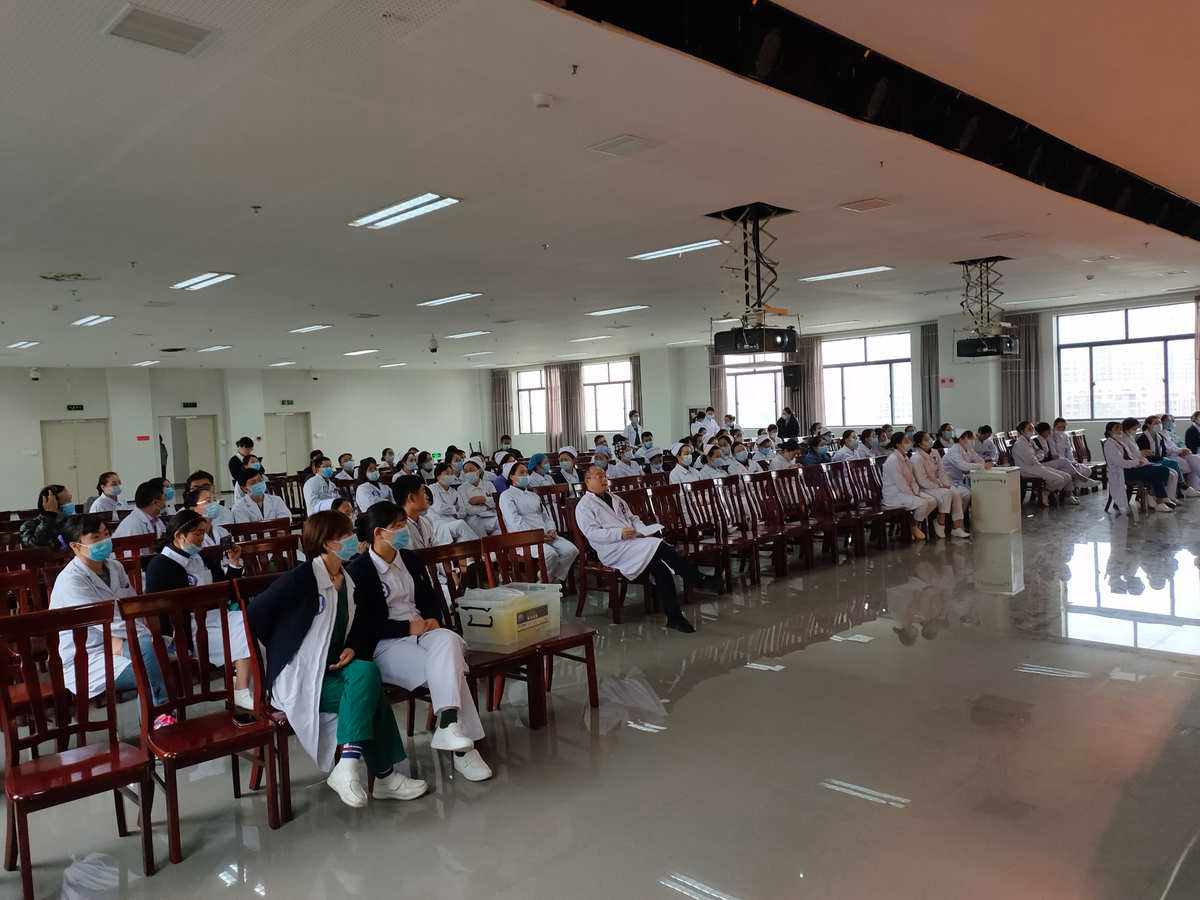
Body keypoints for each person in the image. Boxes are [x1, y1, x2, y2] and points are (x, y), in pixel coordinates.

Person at [246, 511, 426, 807]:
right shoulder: (302, 578)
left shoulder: (347, 577)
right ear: (329, 543)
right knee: (368, 687)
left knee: (365, 672)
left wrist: (353, 647)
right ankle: (383, 776)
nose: (354, 540)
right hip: (302, 677)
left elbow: (358, 623)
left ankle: (350, 766)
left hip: (335, 668)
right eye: (346, 536)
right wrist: (287, 647)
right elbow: (256, 615)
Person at [346, 503, 492, 781]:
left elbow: (429, 599)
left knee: (448, 639)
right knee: (451, 667)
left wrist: (433, 619)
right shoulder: (360, 571)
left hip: (426, 635)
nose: (405, 531)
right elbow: (364, 626)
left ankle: (449, 726)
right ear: (379, 533)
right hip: (387, 645)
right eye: (399, 526)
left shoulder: (409, 560)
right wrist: (405, 627)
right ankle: (463, 750)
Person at [50, 515, 174, 730]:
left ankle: (158, 719)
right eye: (95, 537)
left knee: (150, 651)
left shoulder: (114, 567)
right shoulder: (71, 580)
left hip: (120, 640)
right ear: (75, 546)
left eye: (106, 535)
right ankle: (157, 723)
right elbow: (105, 620)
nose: (104, 541)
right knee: (145, 666)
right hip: (87, 654)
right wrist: (140, 637)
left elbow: (132, 606)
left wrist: (140, 637)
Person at [575, 465, 722, 632]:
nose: (604, 479)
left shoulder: (615, 498)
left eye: (604, 475)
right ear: (588, 481)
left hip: (633, 543)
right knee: (659, 545)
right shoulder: (584, 506)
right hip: (613, 550)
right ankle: (697, 579)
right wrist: (619, 533)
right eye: (598, 476)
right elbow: (591, 533)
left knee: (661, 569)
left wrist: (641, 529)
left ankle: (674, 618)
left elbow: (633, 518)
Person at [143, 509, 253, 708]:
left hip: (215, 617)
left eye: (204, 532)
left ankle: (247, 686)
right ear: (179, 536)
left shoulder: (201, 557)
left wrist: (234, 564)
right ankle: (241, 689)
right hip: (187, 628)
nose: (203, 538)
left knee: (253, 620)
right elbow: (160, 611)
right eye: (198, 534)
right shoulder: (160, 566)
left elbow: (225, 589)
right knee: (244, 630)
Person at [498, 462, 579, 582]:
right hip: (524, 538)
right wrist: (537, 536)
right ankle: (546, 582)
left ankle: (550, 580)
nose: (526, 475)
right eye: (521, 473)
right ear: (511, 476)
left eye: (526, 472)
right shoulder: (506, 496)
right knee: (550, 554)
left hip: (546, 534)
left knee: (571, 550)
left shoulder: (533, 495)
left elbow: (545, 515)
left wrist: (551, 529)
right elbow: (514, 521)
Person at [1104, 420, 1173, 516]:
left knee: (1161, 470)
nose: (1120, 430)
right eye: (1116, 428)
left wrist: (1141, 461)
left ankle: (1158, 500)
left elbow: (1131, 456)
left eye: (1120, 428)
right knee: (1160, 471)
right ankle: (1158, 499)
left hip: (1132, 467)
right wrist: (1137, 462)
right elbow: (1119, 462)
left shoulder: (1119, 442)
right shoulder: (1109, 444)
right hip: (1124, 472)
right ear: (1109, 431)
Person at [910, 431, 970, 539]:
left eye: (929, 438)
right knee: (947, 493)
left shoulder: (935, 452)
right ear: (919, 443)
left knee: (955, 492)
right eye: (926, 440)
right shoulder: (916, 458)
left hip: (938, 485)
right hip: (925, 488)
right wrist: (940, 486)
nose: (929, 441)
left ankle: (957, 527)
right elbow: (922, 480)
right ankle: (940, 522)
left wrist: (946, 483)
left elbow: (942, 471)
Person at [881, 433, 934, 542]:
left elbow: (912, 479)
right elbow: (900, 483)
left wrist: (916, 491)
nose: (909, 443)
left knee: (932, 500)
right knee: (923, 503)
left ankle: (914, 525)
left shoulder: (905, 457)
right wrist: (913, 494)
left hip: (907, 492)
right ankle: (913, 526)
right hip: (894, 495)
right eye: (905, 441)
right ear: (898, 444)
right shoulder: (893, 460)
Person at [1010, 420, 1072, 507]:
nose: (1032, 430)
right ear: (1022, 431)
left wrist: (1038, 456)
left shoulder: (1030, 441)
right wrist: (1038, 457)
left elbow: (1040, 452)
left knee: (1067, 477)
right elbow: (1031, 460)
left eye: (1032, 428)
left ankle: (1046, 491)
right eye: (1029, 429)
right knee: (1059, 479)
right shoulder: (1020, 444)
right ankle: (1045, 492)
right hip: (1027, 469)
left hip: (1037, 466)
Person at [1137, 416, 1198, 498]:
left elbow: (1164, 450)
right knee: (1173, 469)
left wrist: (1179, 452)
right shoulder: (1143, 438)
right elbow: (1143, 453)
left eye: (1159, 423)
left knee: (1174, 466)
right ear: (1148, 425)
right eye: (1156, 423)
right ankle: (1182, 487)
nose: (1159, 425)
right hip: (1149, 461)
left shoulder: (1159, 436)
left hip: (1160, 458)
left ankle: (1175, 493)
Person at [427, 462, 477, 543]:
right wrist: (455, 509)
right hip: (438, 524)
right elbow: (440, 509)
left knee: (463, 539)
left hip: (452, 521)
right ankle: (482, 549)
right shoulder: (431, 489)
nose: (450, 476)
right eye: (447, 473)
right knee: (461, 524)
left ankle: (475, 553)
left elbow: (463, 511)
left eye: (451, 474)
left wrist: (455, 513)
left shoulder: (454, 492)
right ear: (438, 476)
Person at [391, 476, 441, 549]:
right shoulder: (397, 529)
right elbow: (404, 557)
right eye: (423, 492)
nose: (427, 497)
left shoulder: (425, 522)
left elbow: (437, 550)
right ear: (411, 497)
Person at [459, 456, 499, 537]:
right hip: (474, 518)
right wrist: (487, 506)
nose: (468, 473)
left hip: (491, 515)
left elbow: (496, 503)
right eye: (466, 471)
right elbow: (468, 509)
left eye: (471, 470)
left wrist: (483, 500)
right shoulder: (461, 489)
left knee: (502, 523)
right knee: (477, 527)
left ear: (479, 470)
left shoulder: (489, 484)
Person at [1161, 414, 1200, 490]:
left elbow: (1180, 443)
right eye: (1169, 421)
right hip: (1172, 456)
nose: (1171, 423)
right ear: (1163, 422)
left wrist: (1183, 449)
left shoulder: (1171, 432)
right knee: (1193, 461)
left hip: (1180, 454)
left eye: (1172, 421)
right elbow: (1168, 449)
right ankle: (1190, 488)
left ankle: (1193, 487)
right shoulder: (1162, 434)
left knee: (1195, 459)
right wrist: (1180, 451)